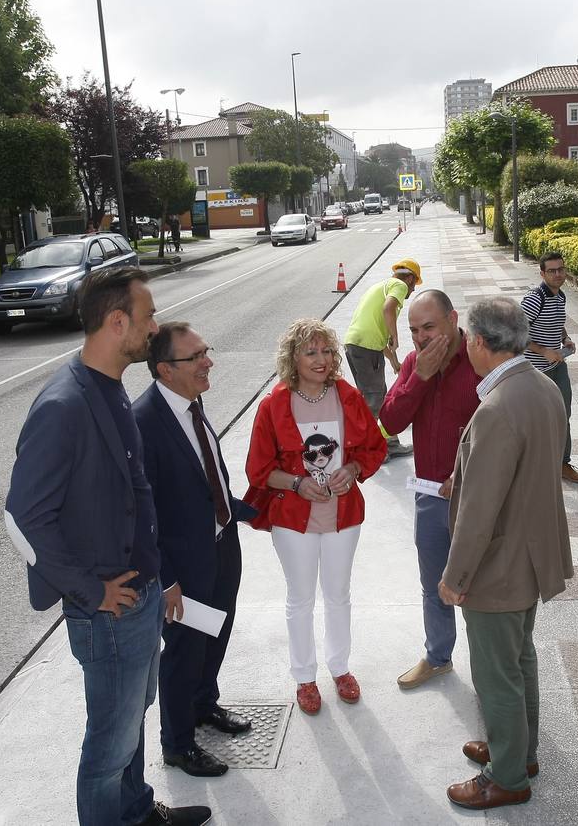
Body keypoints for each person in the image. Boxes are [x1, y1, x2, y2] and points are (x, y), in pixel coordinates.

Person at [3, 266, 210, 826]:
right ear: (117, 323)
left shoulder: (112, 388)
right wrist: (87, 590)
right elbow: (22, 518)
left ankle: (138, 813)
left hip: (139, 598)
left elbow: (135, 497)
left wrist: (159, 575)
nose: (154, 327)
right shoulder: (64, 405)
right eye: (147, 318)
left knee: (131, 721)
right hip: (108, 610)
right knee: (107, 747)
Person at [438, 296, 573, 811]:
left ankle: (508, 775)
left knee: (497, 672)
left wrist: (455, 577)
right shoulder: (540, 386)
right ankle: (520, 750)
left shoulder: (497, 407)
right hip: (532, 553)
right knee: (520, 660)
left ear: (478, 342)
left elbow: (479, 514)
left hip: (498, 564)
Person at [243, 319, 387, 715]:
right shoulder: (274, 404)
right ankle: (304, 677)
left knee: (339, 594)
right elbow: (258, 469)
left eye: (326, 351)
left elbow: (373, 448)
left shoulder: (349, 397)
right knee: (301, 598)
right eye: (310, 352)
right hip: (293, 518)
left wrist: (353, 470)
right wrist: (295, 483)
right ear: (293, 358)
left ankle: (340, 668)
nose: (320, 360)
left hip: (344, 514)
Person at [134, 324, 259, 779]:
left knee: (217, 633)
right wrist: (166, 580)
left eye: (207, 350)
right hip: (183, 566)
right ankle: (178, 744)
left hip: (222, 547)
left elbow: (210, 480)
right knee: (185, 651)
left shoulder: (192, 402)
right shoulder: (143, 422)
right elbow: (138, 515)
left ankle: (205, 705)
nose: (209, 362)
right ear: (165, 369)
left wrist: (244, 511)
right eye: (196, 357)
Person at [380, 289, 480, 690]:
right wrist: (419, 378)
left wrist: (470, 474)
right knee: (433, 583)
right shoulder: (412, 364)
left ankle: (488, 669)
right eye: (413, 330)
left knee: (479, 587)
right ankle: (438, 657)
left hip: (476, 499)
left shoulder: (480, 358)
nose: (421, 338)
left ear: (453, 319)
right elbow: (390, 420)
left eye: (429, 327)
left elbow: (505, 429)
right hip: (428, 495)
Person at [342, 258, 422, 458]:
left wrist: (394, 362)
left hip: (356, 345)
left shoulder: (380, 286)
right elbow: (388, 309)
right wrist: (396, 336)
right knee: (375, 399)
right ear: (410, 279)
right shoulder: (399, 285)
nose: (411, 292)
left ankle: (388, 443)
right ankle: (375, 449)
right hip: (366, 348)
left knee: (373, 397)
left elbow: (377, 334)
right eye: (414, 286)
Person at [520, 251, 578, 484]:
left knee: (563, 414)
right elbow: (517, 332)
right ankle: (531, 464)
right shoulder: (535, 298)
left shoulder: (560, 296)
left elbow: (558, 321)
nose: (558, 274)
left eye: (561, 270)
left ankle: (562, 463)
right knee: (537, 418)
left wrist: (565, 339)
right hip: (535, 370)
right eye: (552, 271)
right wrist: (543, 351)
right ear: (542, 273)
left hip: (557, 365)